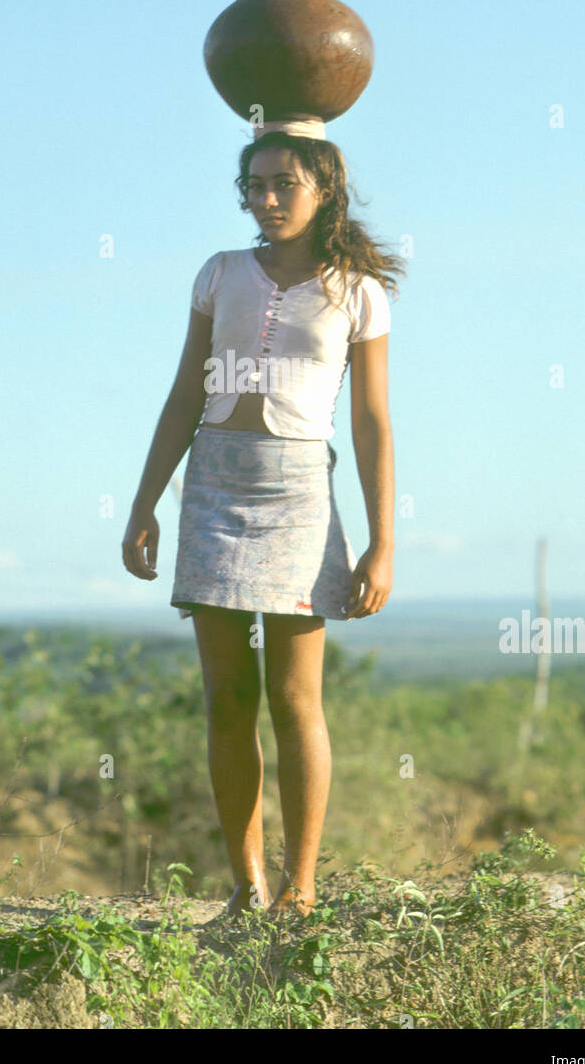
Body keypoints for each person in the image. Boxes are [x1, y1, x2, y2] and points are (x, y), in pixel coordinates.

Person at [122, 125, 404, 921]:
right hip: (212, 482)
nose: (267, 198)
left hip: (299, 493)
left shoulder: (357, 293)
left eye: (284, 183)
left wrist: (383, 541)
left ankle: (299, 887)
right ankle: (244, 884)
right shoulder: (218, 275)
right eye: (254, 184)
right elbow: (184, 393)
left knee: (293, 698)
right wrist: (144, 503)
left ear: (325, 190)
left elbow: (374, 422)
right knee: (225, 698)